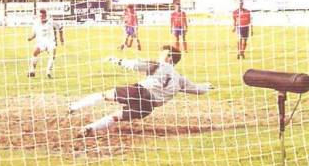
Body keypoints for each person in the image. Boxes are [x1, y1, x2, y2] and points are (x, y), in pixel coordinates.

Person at [69, 45, 213, 136]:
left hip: (139, 92)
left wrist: (116, 60)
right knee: (115, 117)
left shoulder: (159, 65)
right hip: (148, 107)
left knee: (104, 96)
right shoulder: (181, 80)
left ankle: (73, 107)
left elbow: (135, 65)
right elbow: (197, 90)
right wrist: (208, 86)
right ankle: (90, 128)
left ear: (169, 57)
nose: (160, 54)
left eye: (163, 53)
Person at [27, 9, 58, 79]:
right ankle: (32, 70)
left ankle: (48, 72)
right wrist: (31, 38)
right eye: (40, 15)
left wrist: (60, 39)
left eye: (42, 15)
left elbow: (60, 27)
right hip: (41, 42)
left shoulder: (51, 21)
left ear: (45, 15)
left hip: (50, 41)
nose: (41, 17)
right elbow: (34, 33)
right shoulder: (36, 22)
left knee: (52, 54)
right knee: (35, 53)